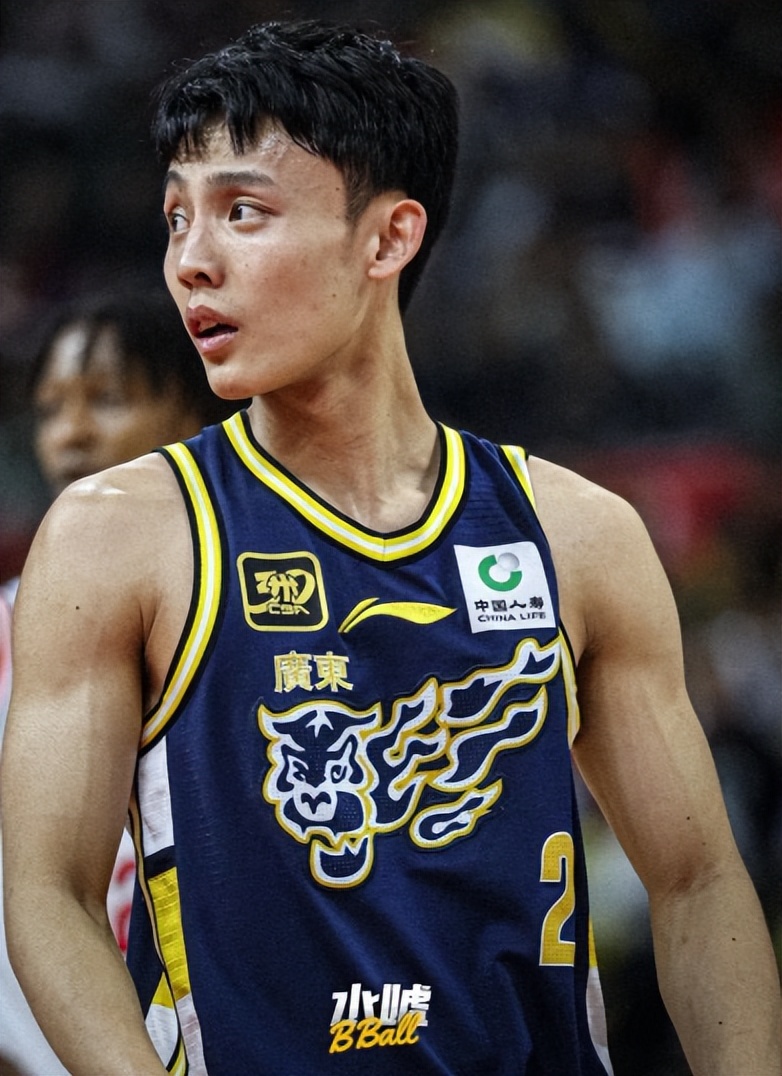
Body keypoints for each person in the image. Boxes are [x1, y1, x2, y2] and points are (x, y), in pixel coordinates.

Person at [2, 19, 779, 1076]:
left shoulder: (577, 533)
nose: (190, 261)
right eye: (177, 216)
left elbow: (696, 880)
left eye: (241, 212)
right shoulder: (118, 534)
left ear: (386, 239)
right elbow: (49, 893)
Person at [0, 285, 238, 1076]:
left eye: (106, 399)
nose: (68, 434)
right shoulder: (6, 630)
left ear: (197, 414)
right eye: (49, 410)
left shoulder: (269, 610)